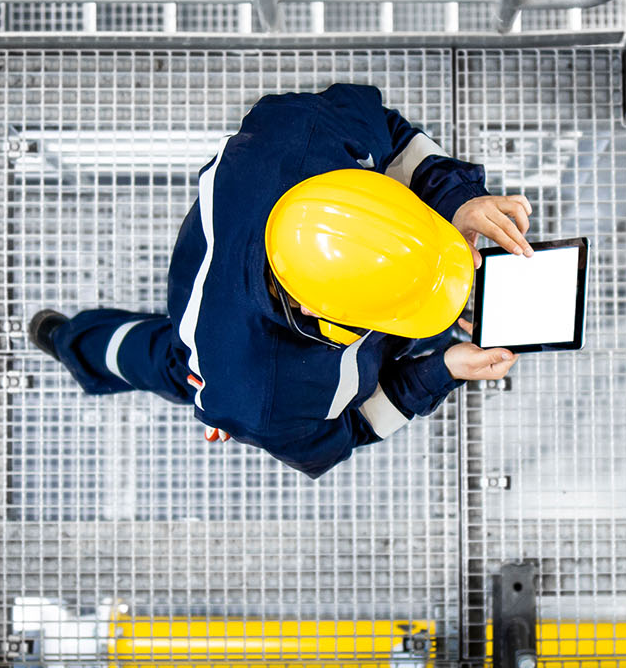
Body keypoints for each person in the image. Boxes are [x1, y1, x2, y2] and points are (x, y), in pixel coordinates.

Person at [29, 82, 532, 478]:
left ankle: (75, 341)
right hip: (222, 358)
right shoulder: (261, 398)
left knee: (186, 368)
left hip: (232, 243)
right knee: (173, 365)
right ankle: (74, 344)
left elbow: (390, 134)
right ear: (316, 310)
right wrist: (440, 369)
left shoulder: (305, 133)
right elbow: (352, 430)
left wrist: (458, 201)